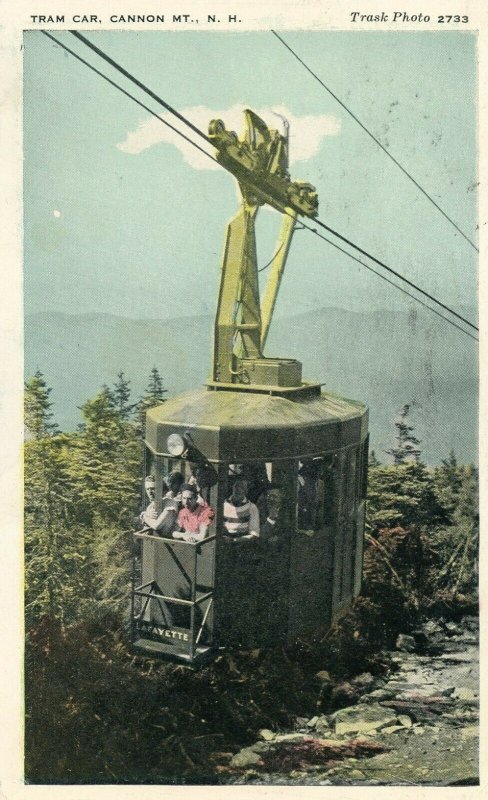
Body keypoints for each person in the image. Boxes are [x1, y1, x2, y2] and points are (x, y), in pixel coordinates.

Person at [141, 471, 184, 537]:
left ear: (160, 489)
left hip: (165, 541)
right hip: (150, 539)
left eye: (153, 488)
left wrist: (144, 516)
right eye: (147, 489)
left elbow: (156, 526)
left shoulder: (170, 504)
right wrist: (145, 514)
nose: (150, 492)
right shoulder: (153, 504)